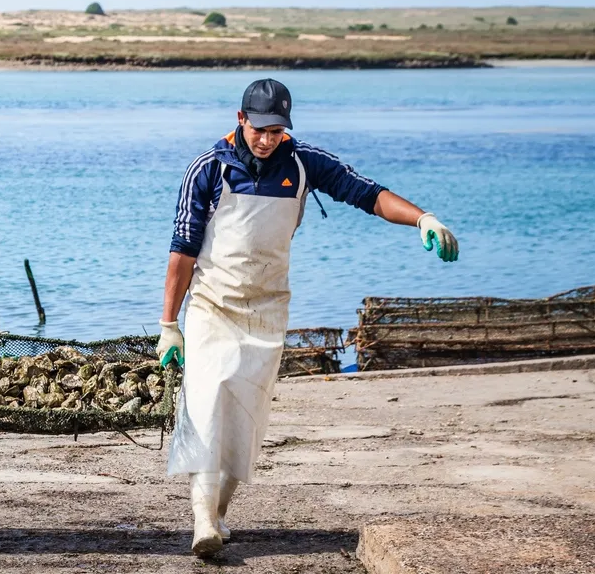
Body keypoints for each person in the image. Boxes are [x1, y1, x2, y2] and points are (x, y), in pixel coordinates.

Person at [157, 78, 458, 557]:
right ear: (240, 120)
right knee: (207, 403)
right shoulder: (207, 170)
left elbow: (368, 194)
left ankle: (218, 513)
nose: (267, 138)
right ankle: (201, 522)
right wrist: (169, 324)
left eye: (276, 129)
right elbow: (182, 252)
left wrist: (424, 218)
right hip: (212, 306)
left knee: (245, 421)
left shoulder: (303, 164)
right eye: (259, 128)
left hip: (268, 308)